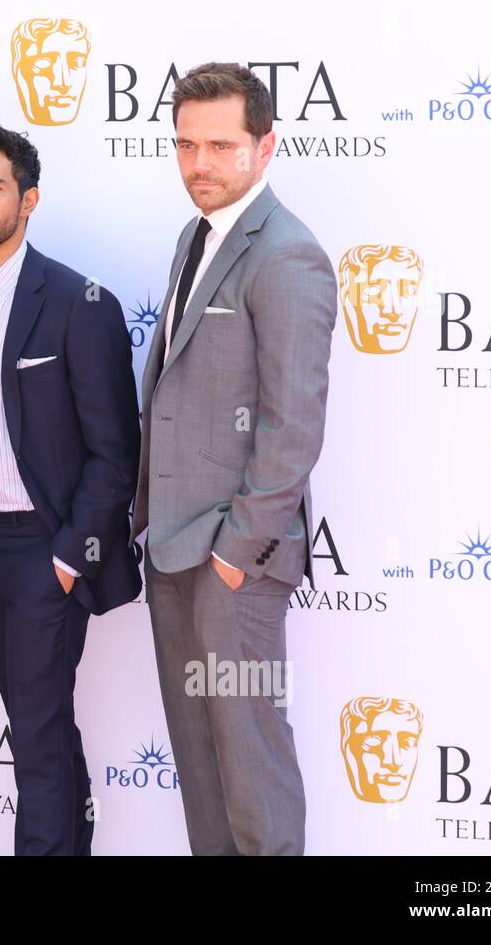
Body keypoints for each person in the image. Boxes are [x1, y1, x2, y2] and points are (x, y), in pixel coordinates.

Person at [131, 62, 337, 855]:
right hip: (174, 547)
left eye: (220, 145)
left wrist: (234, 556)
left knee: (252, 770)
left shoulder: (287, 255)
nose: (200, 164)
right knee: (204, 771)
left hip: (233, 562)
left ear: (266, 146)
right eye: (186, 145)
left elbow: (293, 429)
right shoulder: (196, 235)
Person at [0, 123, 141, 855]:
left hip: (44, 551)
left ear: (29, 198)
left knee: (41, 737)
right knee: (39, 727)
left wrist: (66, 556)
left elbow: (116, 451)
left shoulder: (80, 302)